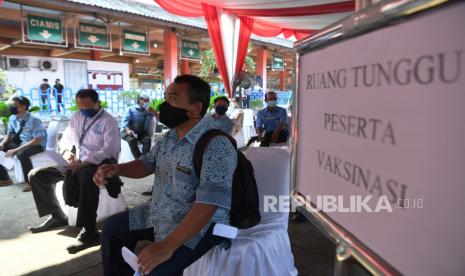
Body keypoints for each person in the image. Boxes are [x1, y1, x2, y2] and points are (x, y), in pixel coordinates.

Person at [94, 75, 236, 276]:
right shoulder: (170, 136)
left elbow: (208, 204)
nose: (163, 104)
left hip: (201, 226)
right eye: (165, 97)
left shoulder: (216, 145)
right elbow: (147, 164)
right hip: (160, 213)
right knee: (111, 230)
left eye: (173, 98)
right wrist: (118, 169)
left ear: (195, 108)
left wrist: (167, 246)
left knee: (156, 270)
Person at [28, 89, 120, 254]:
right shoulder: (77, 117)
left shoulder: (109, 121)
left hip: (100, 163)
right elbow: (66, 140)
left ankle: (90, 231)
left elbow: (109, 150)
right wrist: (66, 153)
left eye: (87, 107)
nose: (83, 111)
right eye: (80, 107)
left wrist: (83, 164)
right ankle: (57, 215)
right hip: (76, 162)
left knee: (86, 176)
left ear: (97, 103)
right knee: (36, 175)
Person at [0, 96, 47, 191]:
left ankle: (31, 182)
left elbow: (37, 140)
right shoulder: (12, 118)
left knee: (22, 154)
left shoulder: (34, 120)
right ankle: (4, 179)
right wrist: (2, 144)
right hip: (21, 143)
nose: (12, 107)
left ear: (23, 107)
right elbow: (9, 135)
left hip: (36, 145)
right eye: (12, 105)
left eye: (15, 105)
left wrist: (16, 149)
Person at [121, 94, 155, 159]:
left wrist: (153, 112)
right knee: (132, 140)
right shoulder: (131, 109)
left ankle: (144, 159)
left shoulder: (149, 111)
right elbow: (125, 122)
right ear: (140, 100)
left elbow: (159, 119)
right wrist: (128, 130)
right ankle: (139, 160)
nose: (146, 103)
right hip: (127, 130)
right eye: (145, 101)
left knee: (147, 140)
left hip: (140, 132)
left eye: (148, 101)